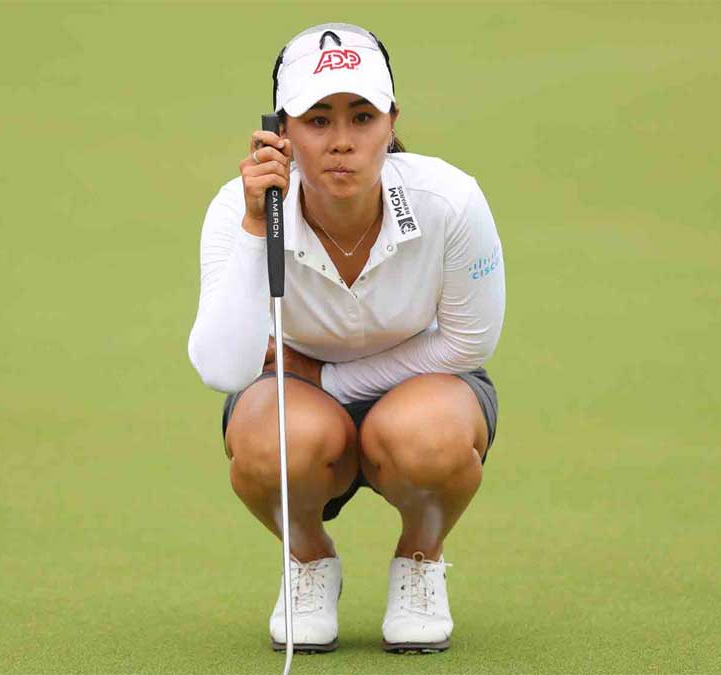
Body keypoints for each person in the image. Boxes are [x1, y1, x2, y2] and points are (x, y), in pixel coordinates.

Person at [187, 22, 505, 655]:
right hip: (295, 402)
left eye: (361, 117)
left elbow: (469, 346)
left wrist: (327, 378)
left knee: (430, 437)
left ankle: (420, 560)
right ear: (281, 132)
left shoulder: (450, 201)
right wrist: (255, 225)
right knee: (268, 442)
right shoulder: (237, 209)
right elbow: (223, 369)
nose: (341, 141)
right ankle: (308, 561)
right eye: (317, 120)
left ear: (391, 122)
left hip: (425, 387)